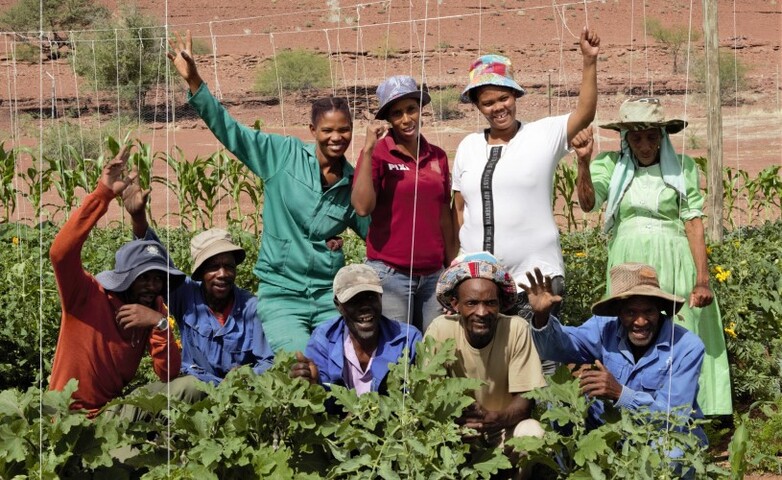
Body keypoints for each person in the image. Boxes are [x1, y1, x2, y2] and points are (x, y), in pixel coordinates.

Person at [168, 31, 369, 353]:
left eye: (344, 129)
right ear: (312, 131)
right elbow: (231, 131)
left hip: (328, 295)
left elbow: (376, 236)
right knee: (300, 363)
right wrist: (195, 81)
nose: (337, 137)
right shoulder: (283, 155)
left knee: (339, 364)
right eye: (328, 130)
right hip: (281, 292)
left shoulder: (353, 183)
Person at [573, 97, 731, 416]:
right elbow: (589, 203)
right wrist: (583, 162)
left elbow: (693, 221)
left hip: (674, 258)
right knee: (632, 325)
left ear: (662, 136)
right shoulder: (611, 165)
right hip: (628, 260)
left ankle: (690, 412)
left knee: (682, 328)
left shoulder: (682, 167)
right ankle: (627, 406)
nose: (644, 145)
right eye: (636, 137)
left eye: (651, 136)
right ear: (625, 138)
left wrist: (702, 279)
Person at [451, 27, 600, 335]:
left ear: (515, 95)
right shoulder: (468, 146)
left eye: (503, 98)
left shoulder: (542, 135)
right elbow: (459, 209)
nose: (497, 108)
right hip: (478, 283)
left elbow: (584, 113)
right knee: (484, 368)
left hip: (534, 278)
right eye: (488, 102)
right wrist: (458, 263)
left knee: (534, 361)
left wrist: (589, 61)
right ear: (478, 106)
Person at [48, 147, 185, 417]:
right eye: (144, 278)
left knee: (185, 388)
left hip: (107, 417)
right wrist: (103, 195)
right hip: (64, 419)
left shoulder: (153, 309)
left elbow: (169, 373)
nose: (153, 286)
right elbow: (60, 254)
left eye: (159, 279)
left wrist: (158, 324)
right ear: (126, 277)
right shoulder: (87, 296)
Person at [525, 263, 707, 444]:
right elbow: (560, 347)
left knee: (671, 453)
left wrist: (620, 394)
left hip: (662, 434)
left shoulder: (687, 347)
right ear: (618, 312)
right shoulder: (604, 328)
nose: (641, 321)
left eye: (649, 311)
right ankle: (568, 470)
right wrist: (542, 317)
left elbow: (673, 420)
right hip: (613, 426)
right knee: (560, 403)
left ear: (659, 310)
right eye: (631, 312)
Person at [352, 75, 455, 332]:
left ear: (420, 111)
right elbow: (362, 207)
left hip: (433, 276)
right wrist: (367, 150)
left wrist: (451, 271)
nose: (406, 119)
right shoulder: (379, 153)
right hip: (391, 274)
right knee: (398, 354)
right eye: (397, 113)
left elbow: (444, 216)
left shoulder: (438, 157)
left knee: (435, 350)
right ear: (389, 119)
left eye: (411, 109)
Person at [426, 252, 546, 464]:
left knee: (532, 432)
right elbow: (427, 396)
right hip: (456, 431)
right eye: (472, 303)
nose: (482, 312)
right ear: (455, 305)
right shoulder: (440, 330)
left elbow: (526, 399)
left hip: (502, 430)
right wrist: (459, 417)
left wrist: (495, 418)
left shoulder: (515, 328)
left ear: (500, 304)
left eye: (490, 303)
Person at [290, 264, 422, 395]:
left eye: (371, 297)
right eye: (354, 300)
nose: (365, 306)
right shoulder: (323, 339)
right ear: (338, 305)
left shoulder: (407, 339)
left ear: (380, 298)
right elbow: (323, 400)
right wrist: (313, 384)